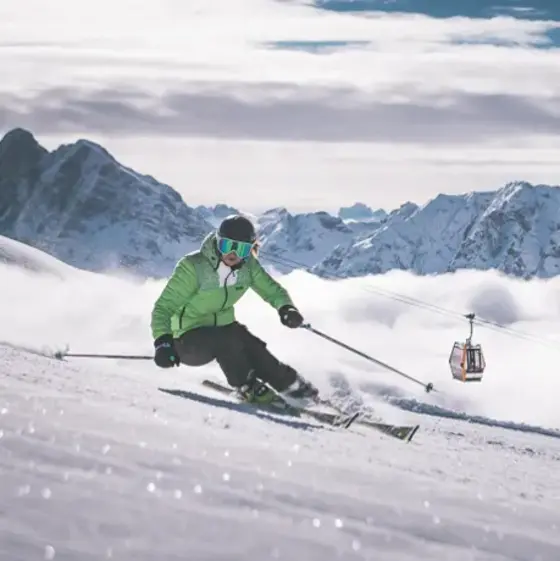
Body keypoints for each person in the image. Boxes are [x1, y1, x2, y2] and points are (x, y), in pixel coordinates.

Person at [150, 214, 319, 406]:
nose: (233, 253)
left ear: (250, 249)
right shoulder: (193, 268)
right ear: (217, 242)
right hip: (184, 341)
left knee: (251, 345)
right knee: (226, 339)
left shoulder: (248, 267)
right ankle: (247, 387)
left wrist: (286, 308)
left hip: (223, 330)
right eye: (227, 245)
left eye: (241, 248)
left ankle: (290, 384)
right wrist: (163, 343)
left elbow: (272, 291)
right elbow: (163, 308)